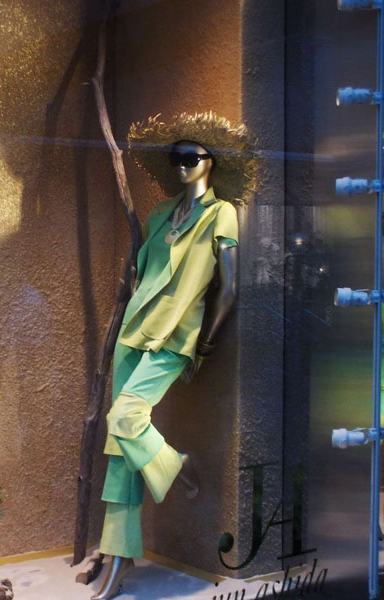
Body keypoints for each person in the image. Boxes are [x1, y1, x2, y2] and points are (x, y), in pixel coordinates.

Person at [92, 113, 259, 600]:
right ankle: (118, 559)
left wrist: (204, 343)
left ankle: (174, 463)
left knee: (126, 417)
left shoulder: (221, 213)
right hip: (134, 331)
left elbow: (230, 288)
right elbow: (144, 275)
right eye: (176, 157)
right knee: (119, 452)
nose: (182, 165)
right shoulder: (161, 213)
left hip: (175, 336)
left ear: (210, 162)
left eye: (190, 157)